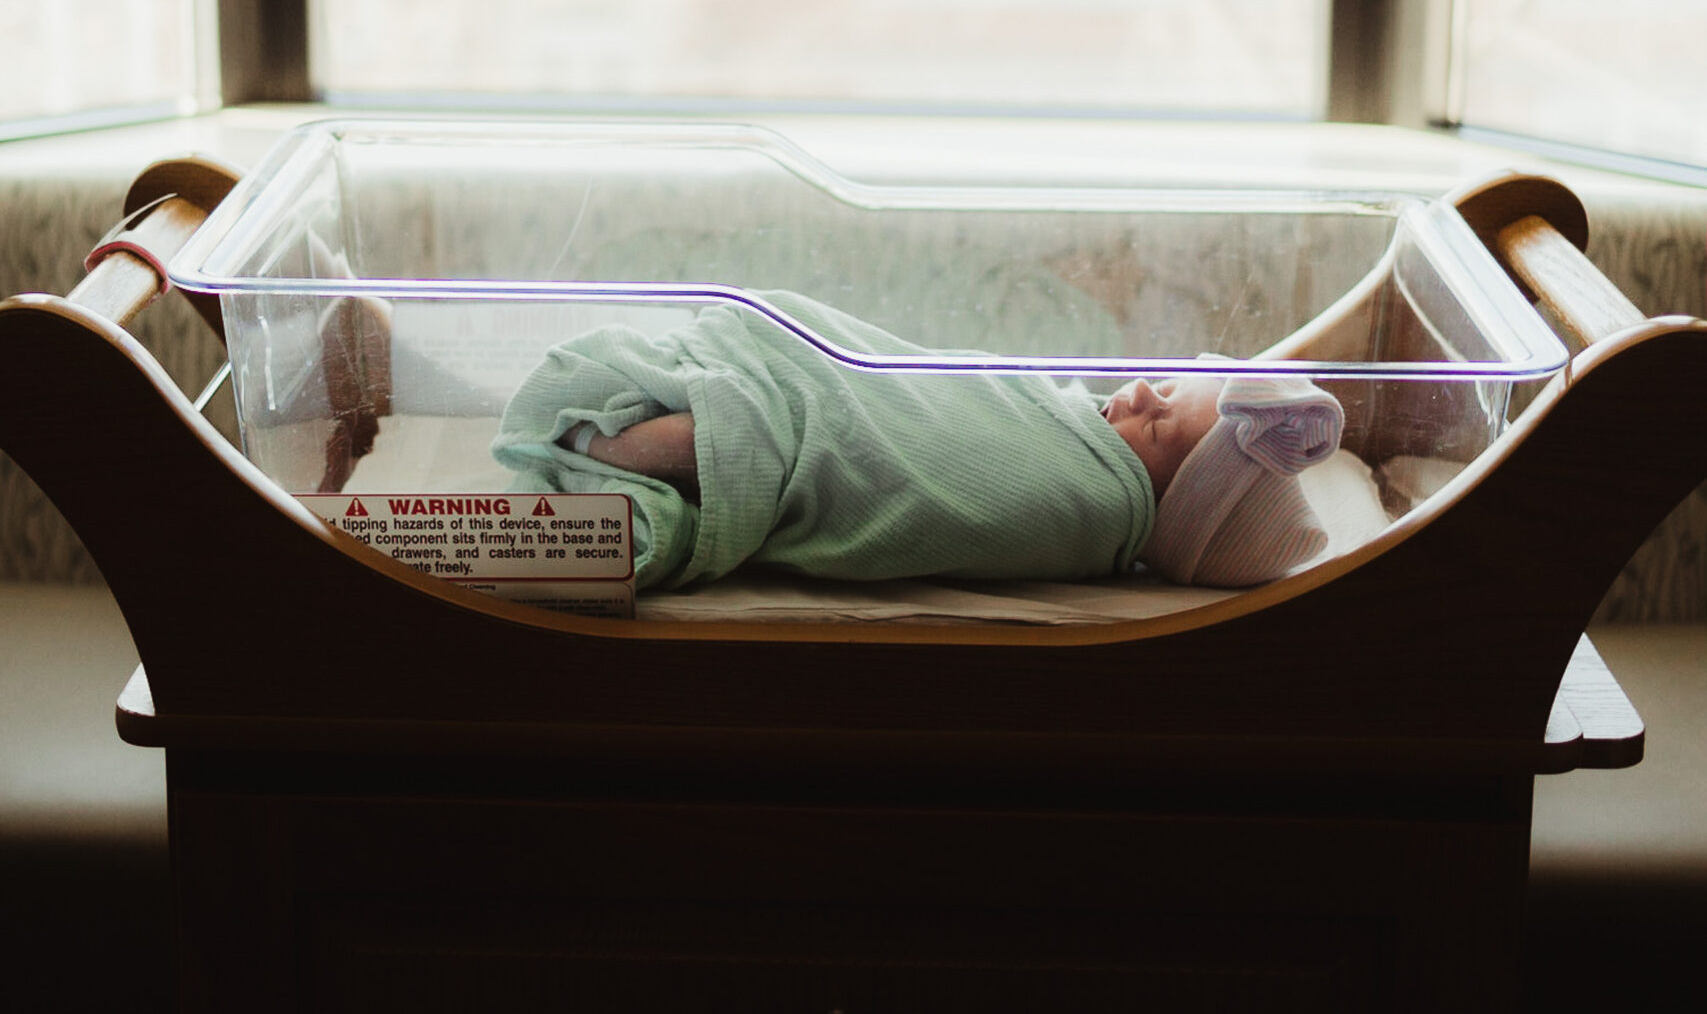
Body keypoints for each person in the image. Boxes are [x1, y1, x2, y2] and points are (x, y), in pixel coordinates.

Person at [494, 291, 1344, 593]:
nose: (1139, 393)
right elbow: (939, 392)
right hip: (855, 395)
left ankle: (650, 447)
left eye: (1159, 422)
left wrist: (837, 412)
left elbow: (934, 477)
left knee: (797, 432)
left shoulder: (1084, 503)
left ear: (1162, 500)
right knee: (824, 378)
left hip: (833, 444)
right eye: (1162, 386)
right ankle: (707, 432)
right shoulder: (1082, 430)